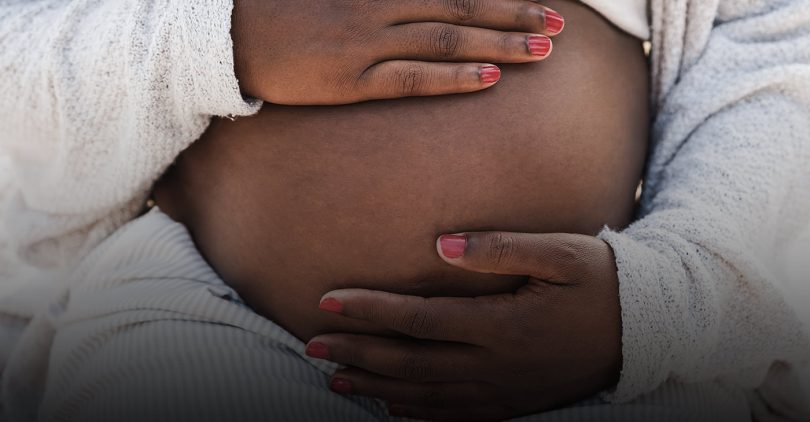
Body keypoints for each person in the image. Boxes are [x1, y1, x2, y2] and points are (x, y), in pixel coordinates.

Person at [0, 0, 808, 421]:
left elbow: (774, 56)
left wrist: (655, 307)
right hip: (201, 317)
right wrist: (222, 39)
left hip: (595, 356)